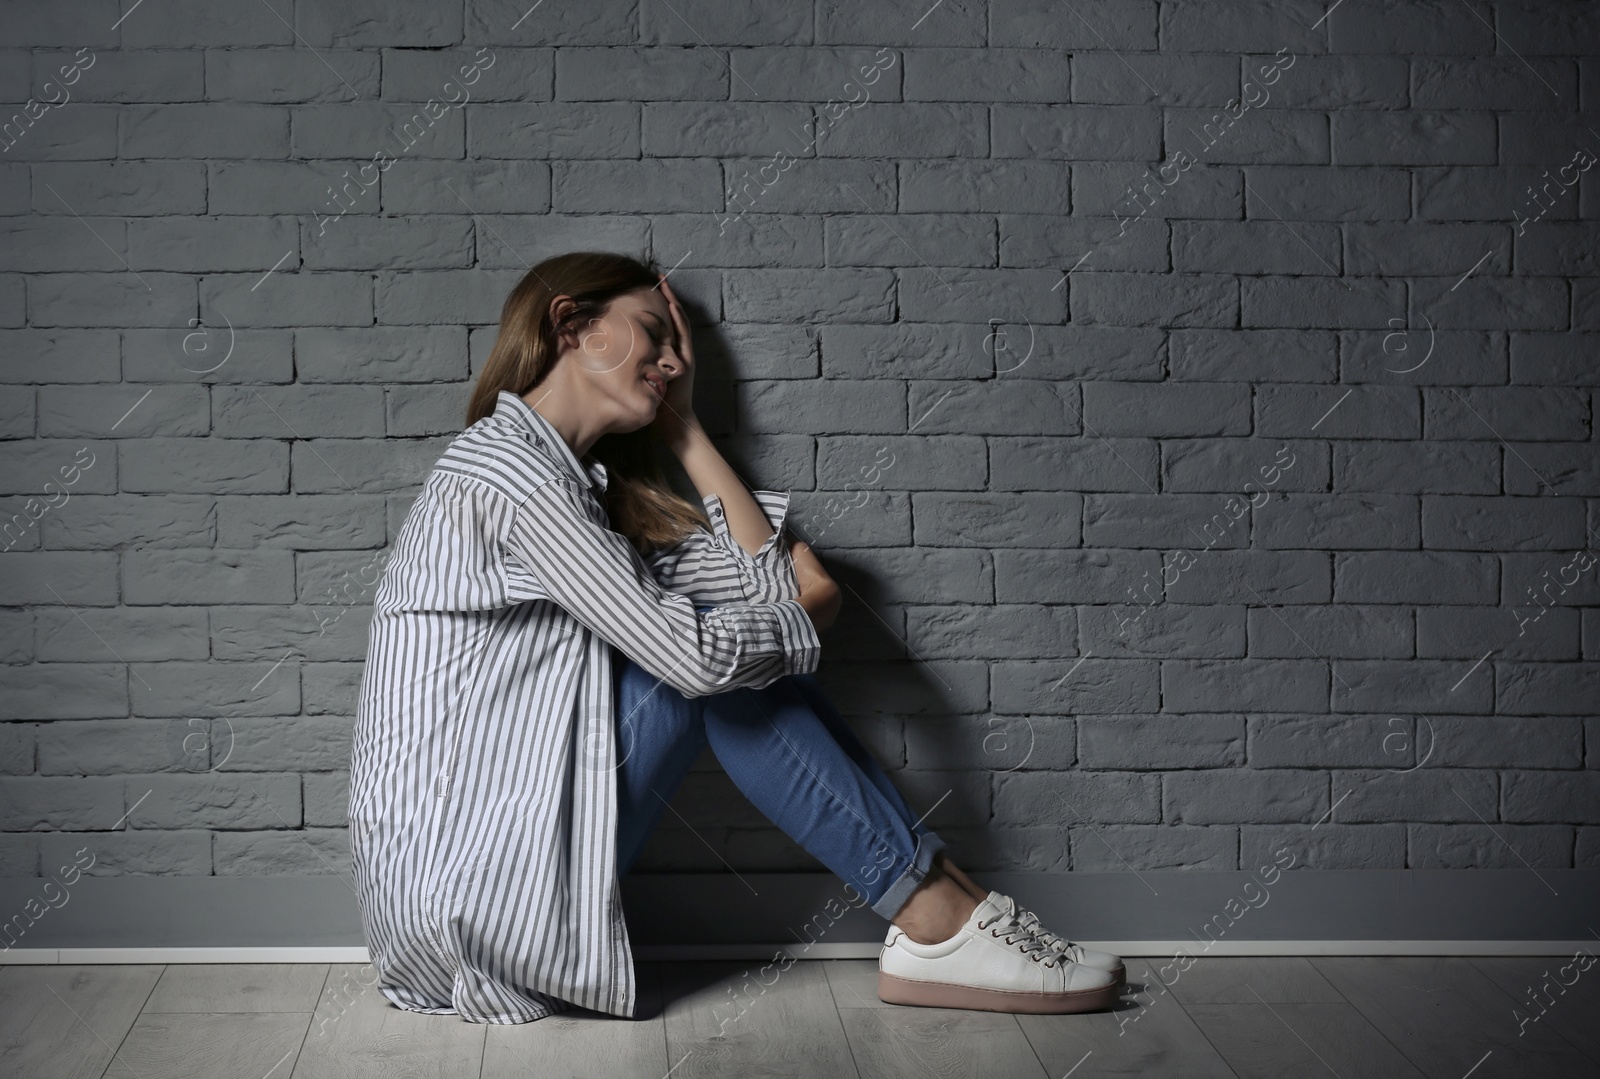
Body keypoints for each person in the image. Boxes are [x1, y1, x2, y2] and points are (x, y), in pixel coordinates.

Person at [349, 250, 1124, 1025]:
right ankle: (934, 914)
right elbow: (726, 641)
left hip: (508, 863)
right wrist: (810, 613)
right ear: (572, 325)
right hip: (467, 899)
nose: (673, 357)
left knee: (728, 654)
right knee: (706, 669)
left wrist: (683, 427)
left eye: (678, 349)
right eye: (654, 333)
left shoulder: (576, 492)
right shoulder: (513, 478)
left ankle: (943, 902)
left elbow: (765, 592)